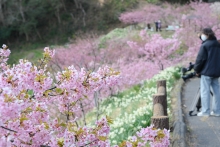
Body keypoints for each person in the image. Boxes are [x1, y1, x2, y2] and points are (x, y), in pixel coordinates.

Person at [194, 28, 220, 116]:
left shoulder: (205, 45)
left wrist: (197, 70)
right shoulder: (217, 44)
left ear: (206, 35)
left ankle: (205, 112)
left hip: (207, 72)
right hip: (216, 72)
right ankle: (217, 111)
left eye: (202, 34)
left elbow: (200, 59)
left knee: (205, 91)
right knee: (217, 91)